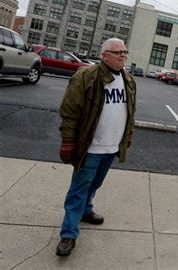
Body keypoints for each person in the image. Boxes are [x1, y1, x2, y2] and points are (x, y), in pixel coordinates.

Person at [56, 38, 136, 256]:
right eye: (117, 52)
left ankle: (86, 211)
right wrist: (68, 142)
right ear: (104, 55)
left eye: (125, 51)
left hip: (111, 148)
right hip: (91, 148)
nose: (123, 55)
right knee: (78, 189)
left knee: (94, 184)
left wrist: (127, 135)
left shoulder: (128, 80)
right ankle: (68, 234)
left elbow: (130, 111)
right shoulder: (85, 77)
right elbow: (69, 112)